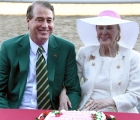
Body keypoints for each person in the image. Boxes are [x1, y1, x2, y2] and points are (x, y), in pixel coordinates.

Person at [0, 1, 81, 110]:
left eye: (49, 20)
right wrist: (9, 115)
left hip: (51, 114)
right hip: (17, 111)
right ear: (28, 21)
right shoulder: (9, 48)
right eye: (40, 20)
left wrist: (64, 116)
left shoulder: (66, 49)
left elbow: (73, 90)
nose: (45, 25)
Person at [60, 10, 140, 113]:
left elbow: (135, 95)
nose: (104, 32)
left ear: (118, 31)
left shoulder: (133, 57)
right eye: (100, 28)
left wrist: (108, 102)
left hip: (121, 112)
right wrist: (63, 92)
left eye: (109, 28)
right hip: (88, 110)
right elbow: (71, 81)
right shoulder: (85, 53)